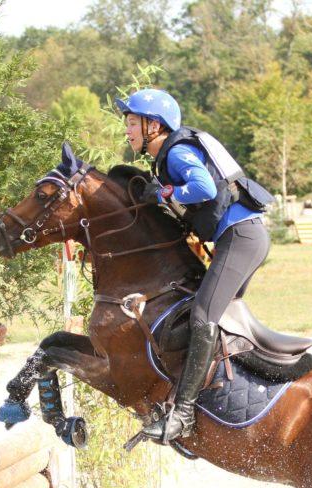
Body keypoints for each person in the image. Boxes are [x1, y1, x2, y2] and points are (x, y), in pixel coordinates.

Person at [116, 88, 274, 443]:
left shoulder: (177, 153)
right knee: (201, 307)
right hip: (239, 238)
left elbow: (203, 188)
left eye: (131, 123)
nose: (127, 131)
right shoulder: (169, 154)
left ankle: (183, 414)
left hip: (241, 238)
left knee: (203, 314)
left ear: (153, 126)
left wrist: (165, 194)